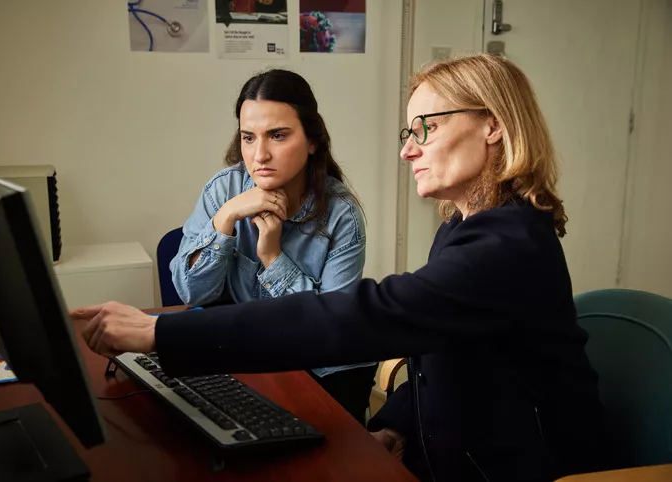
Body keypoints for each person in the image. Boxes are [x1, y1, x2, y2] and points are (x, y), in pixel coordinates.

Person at [74, 54, 607, 481]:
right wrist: (398, 425)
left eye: (424, 127)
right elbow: (437, 348)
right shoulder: (466, 228)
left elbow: (362, 318)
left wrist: (161, 331)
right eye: (407, 132)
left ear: (492, 125)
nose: (407, 151)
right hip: (456, 446)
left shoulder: (506, 245)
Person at [168, 68, 377, 425]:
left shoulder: (342, 215)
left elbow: (325, 331)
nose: (259, 154)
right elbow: (192, 293)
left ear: (312, 141)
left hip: (320, 376)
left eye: (277, 136)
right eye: (248, 138)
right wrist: (226, 219)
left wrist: (272, 257)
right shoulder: (223, 190)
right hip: (248, 363)